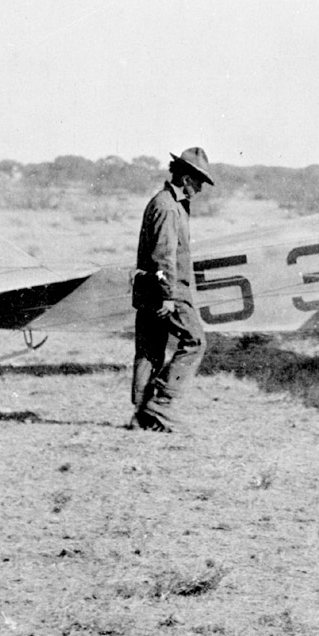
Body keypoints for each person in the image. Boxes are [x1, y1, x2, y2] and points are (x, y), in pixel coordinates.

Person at [129, 147, 214, 433]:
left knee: (150, 351)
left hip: (151, 290)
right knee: (194, 342)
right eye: (199, 181)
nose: (201, 188)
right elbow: (162, 256)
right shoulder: (168, 206)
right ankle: (162, 404)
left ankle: (142, 417)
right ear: (187, 178)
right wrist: (167, 295)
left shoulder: (166, 202)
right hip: (167, 291)